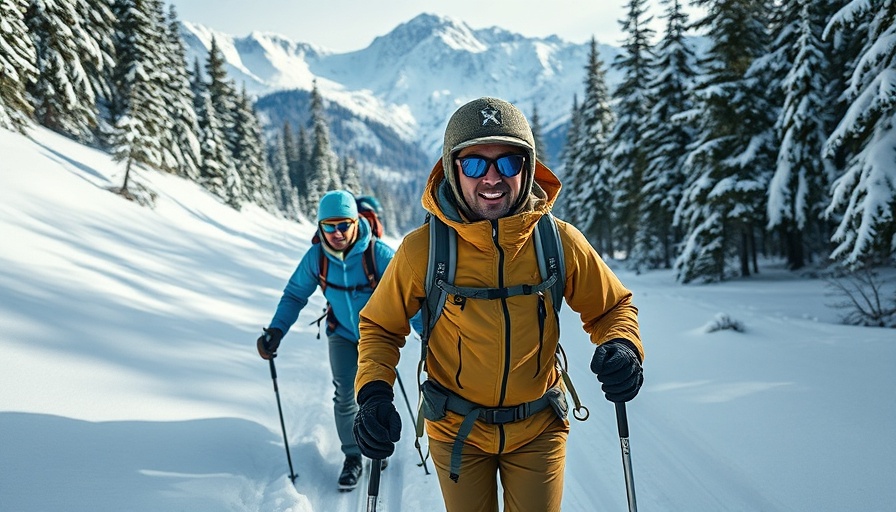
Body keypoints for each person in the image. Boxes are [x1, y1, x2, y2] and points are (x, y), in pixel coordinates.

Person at [352, 97, 644, 512]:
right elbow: (381, 326)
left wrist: (623, 346)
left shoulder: (557, 242)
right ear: (453, 170)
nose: (491, 177)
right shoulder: (425, 250)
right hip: (456, 429)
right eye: (474, 163)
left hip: (539, 427)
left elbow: (613, 308)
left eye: (508, 162)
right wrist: (374, 393)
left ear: (527, 169)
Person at [256, 190, 399, 491]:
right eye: (329, 226)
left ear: (355, 221)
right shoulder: (316, 257)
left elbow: (409, 296)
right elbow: (295, 294)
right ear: (320, 226)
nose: (337, 233)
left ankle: (378, 443)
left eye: (343, 225)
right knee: (344, 394)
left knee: (375, 394)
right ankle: (353, 456)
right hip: (343, 334)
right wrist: (276, 330)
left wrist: (428, 333)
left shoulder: (379, 254)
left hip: (380, 337)